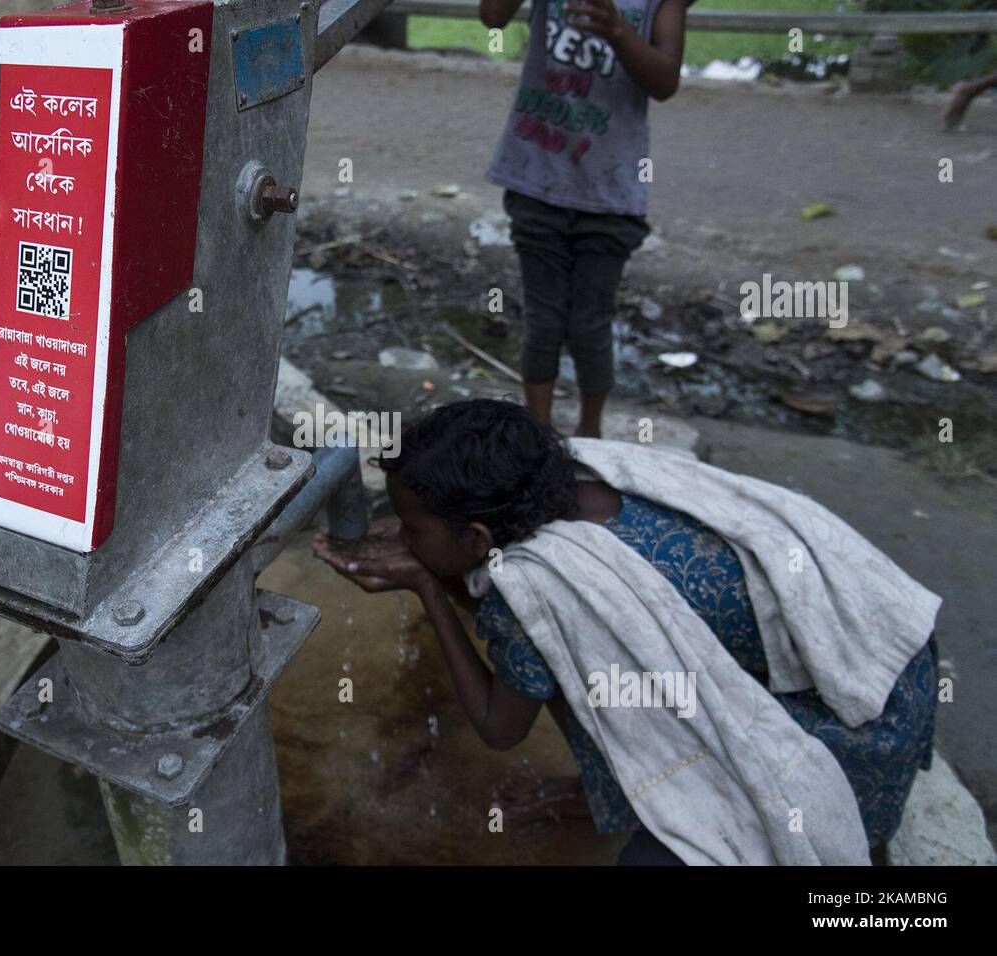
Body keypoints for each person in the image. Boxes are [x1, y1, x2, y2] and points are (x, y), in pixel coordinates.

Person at [312, 400, 939, 864]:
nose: (399, 531)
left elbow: (499, 729)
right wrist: (433, 555)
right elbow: (544, 645)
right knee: (557, 662)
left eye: (412, 527)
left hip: (852, 742)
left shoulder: (535, 587)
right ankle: (600, 789)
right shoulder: (578, 484)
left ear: (477, 538)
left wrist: (428, 588)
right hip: (881, 665)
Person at [480, 0, 693, 436]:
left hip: (610, 193)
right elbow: (492, 16)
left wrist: (619, 31)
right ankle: (540, 438)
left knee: (590, 324)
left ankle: (590, 435)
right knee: (543, 319)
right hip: (538, 177)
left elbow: (665, 81)